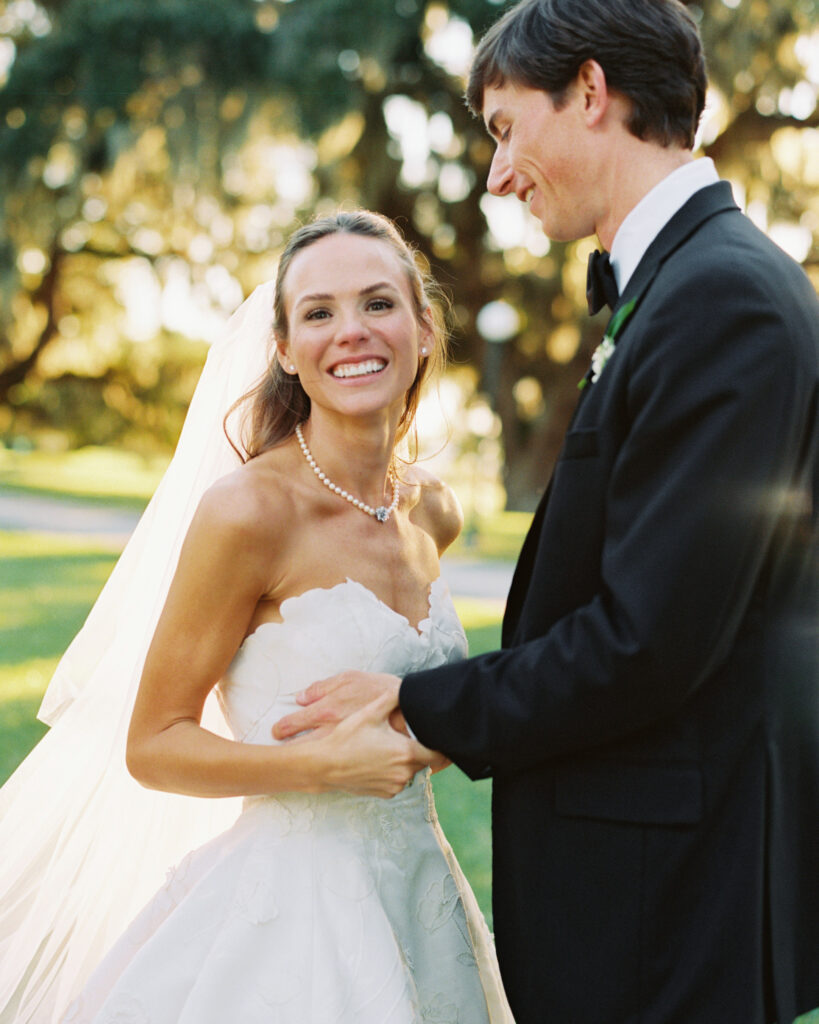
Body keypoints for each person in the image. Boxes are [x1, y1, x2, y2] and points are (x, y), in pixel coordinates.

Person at [272, 3, 819, 1022]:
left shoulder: (721, 300)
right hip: (661, 881)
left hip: (669, 902)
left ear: (592, 93)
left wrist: (416, 706)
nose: (498, 172)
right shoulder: (685, 286)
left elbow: (649, 641)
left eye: (505, 126)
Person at [0, 211, 513, 1024]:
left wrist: (423, 735)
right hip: (287, 916)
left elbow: (412, 714)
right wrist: (321, 768)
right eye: (318, 312)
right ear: (283, 348)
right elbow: (154, 743)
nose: (351, 331)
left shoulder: (433, 513)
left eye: (378, 304)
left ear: (421, 329)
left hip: (422, 895)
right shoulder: (247, 514)